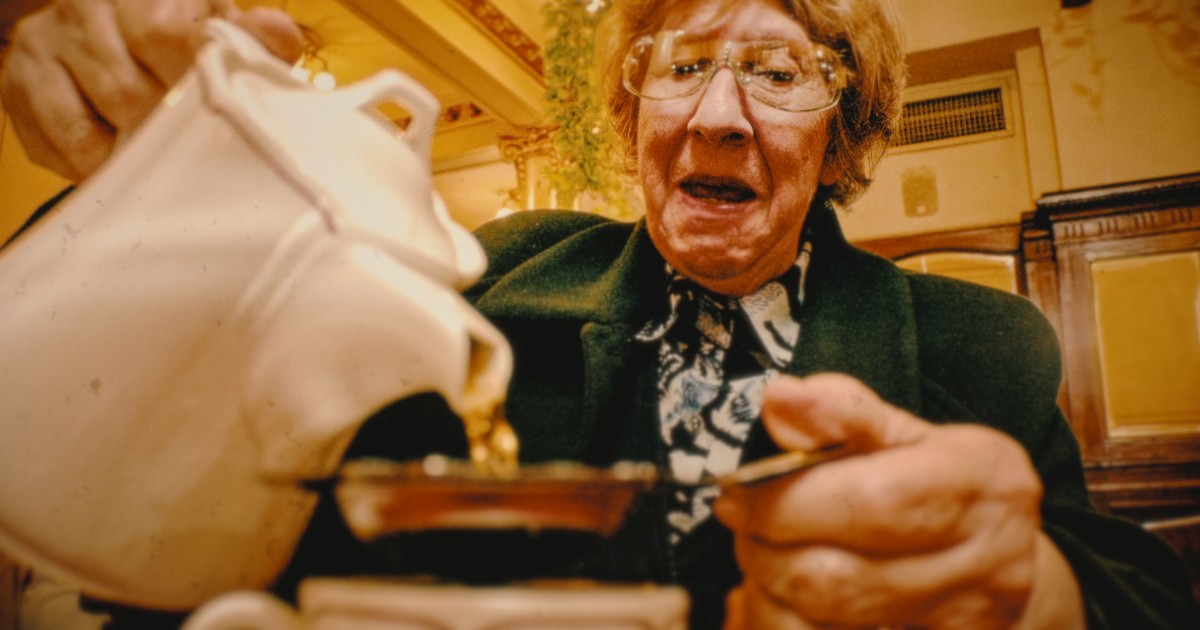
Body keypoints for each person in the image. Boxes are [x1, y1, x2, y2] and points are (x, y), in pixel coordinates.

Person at [2, 0, 1198, 628]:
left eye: (778, 73)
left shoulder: (983, 346)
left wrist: (1035, 598)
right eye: (682, 65)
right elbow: (221, 499)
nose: (719, 115)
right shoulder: (480, 279)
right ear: (635, 121)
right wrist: (152, 165)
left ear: (839, 136)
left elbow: (1148, 599)